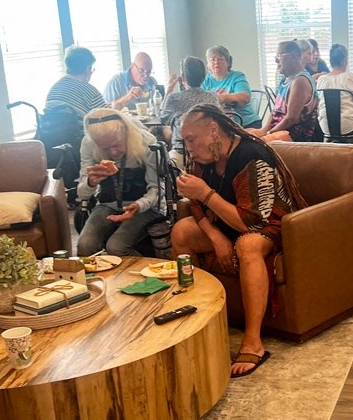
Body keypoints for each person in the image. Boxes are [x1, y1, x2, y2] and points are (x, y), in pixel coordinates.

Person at [172, 105, 308, 377]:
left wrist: (207, 194)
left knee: (247, 244)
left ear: (213, 131)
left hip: (273, 224)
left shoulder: (252, 156)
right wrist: (216, 236)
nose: (188, 147)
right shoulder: (202, 157)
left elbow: (253, 222)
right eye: (184, 140)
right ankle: (198, 319)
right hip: (227, 223)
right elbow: (196, 204)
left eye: (190, 139)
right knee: (181, 231)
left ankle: (253, 341)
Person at [76, 108, 162, 256]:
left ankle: (148, 276)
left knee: (116, 247)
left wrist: (139, 205)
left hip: (145, 206)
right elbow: (81, 193)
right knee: (85, 245)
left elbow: (157, 189)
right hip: (107, 204)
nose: (113, 153)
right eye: (105, 148)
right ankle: (101, 278)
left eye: (116, 144)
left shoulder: (147, 142)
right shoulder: (88, 143)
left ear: (126, 132)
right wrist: (90, 183)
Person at [259, 41, 320, 143]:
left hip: (293, 141)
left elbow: (291, 118)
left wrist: (268, 134)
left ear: (293, 56)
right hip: (278, 134)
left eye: (279, 56)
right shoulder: (285, 79)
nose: (275, 60)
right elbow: (275, 112)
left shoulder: (300, 81)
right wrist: (263, 131)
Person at [202, 45, 262, 129]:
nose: (216, 62)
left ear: (228, 62)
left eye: (220, 59)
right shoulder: (205, 80)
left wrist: (220, 98)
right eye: (212, 59)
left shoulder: (237, 76)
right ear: (208, 64)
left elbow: (245, 97)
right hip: (220, 125)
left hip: (245, 123)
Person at [316, 43, 353, 140]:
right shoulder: (350, 77)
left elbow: (319, 107)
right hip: (348, 126)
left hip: (326, 127)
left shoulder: (321, 80)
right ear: (345, 60)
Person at [45, 45, 107, 117]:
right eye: (91, 69)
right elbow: (108, 121)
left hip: (52, 128)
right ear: (87, 69)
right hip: (80, 128)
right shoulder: (90, 92)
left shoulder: (54, 88)